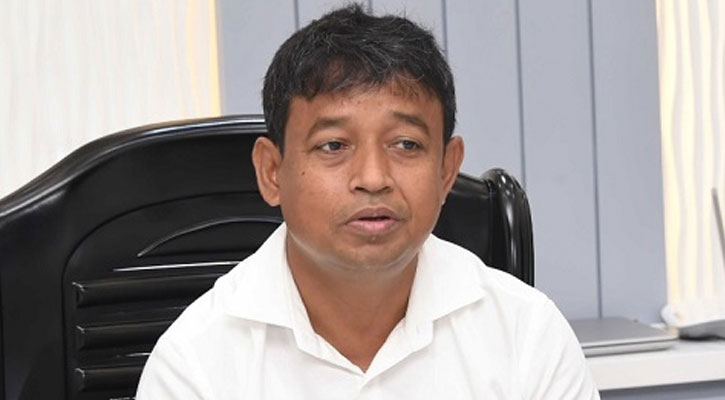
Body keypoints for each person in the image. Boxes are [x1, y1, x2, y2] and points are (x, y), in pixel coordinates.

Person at [136, 4, 599, 399]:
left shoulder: (526, 336)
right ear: (272, 171)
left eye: (406, 144)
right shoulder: (196, 365)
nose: (373, 178)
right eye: (333, 146)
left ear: (446, 171)